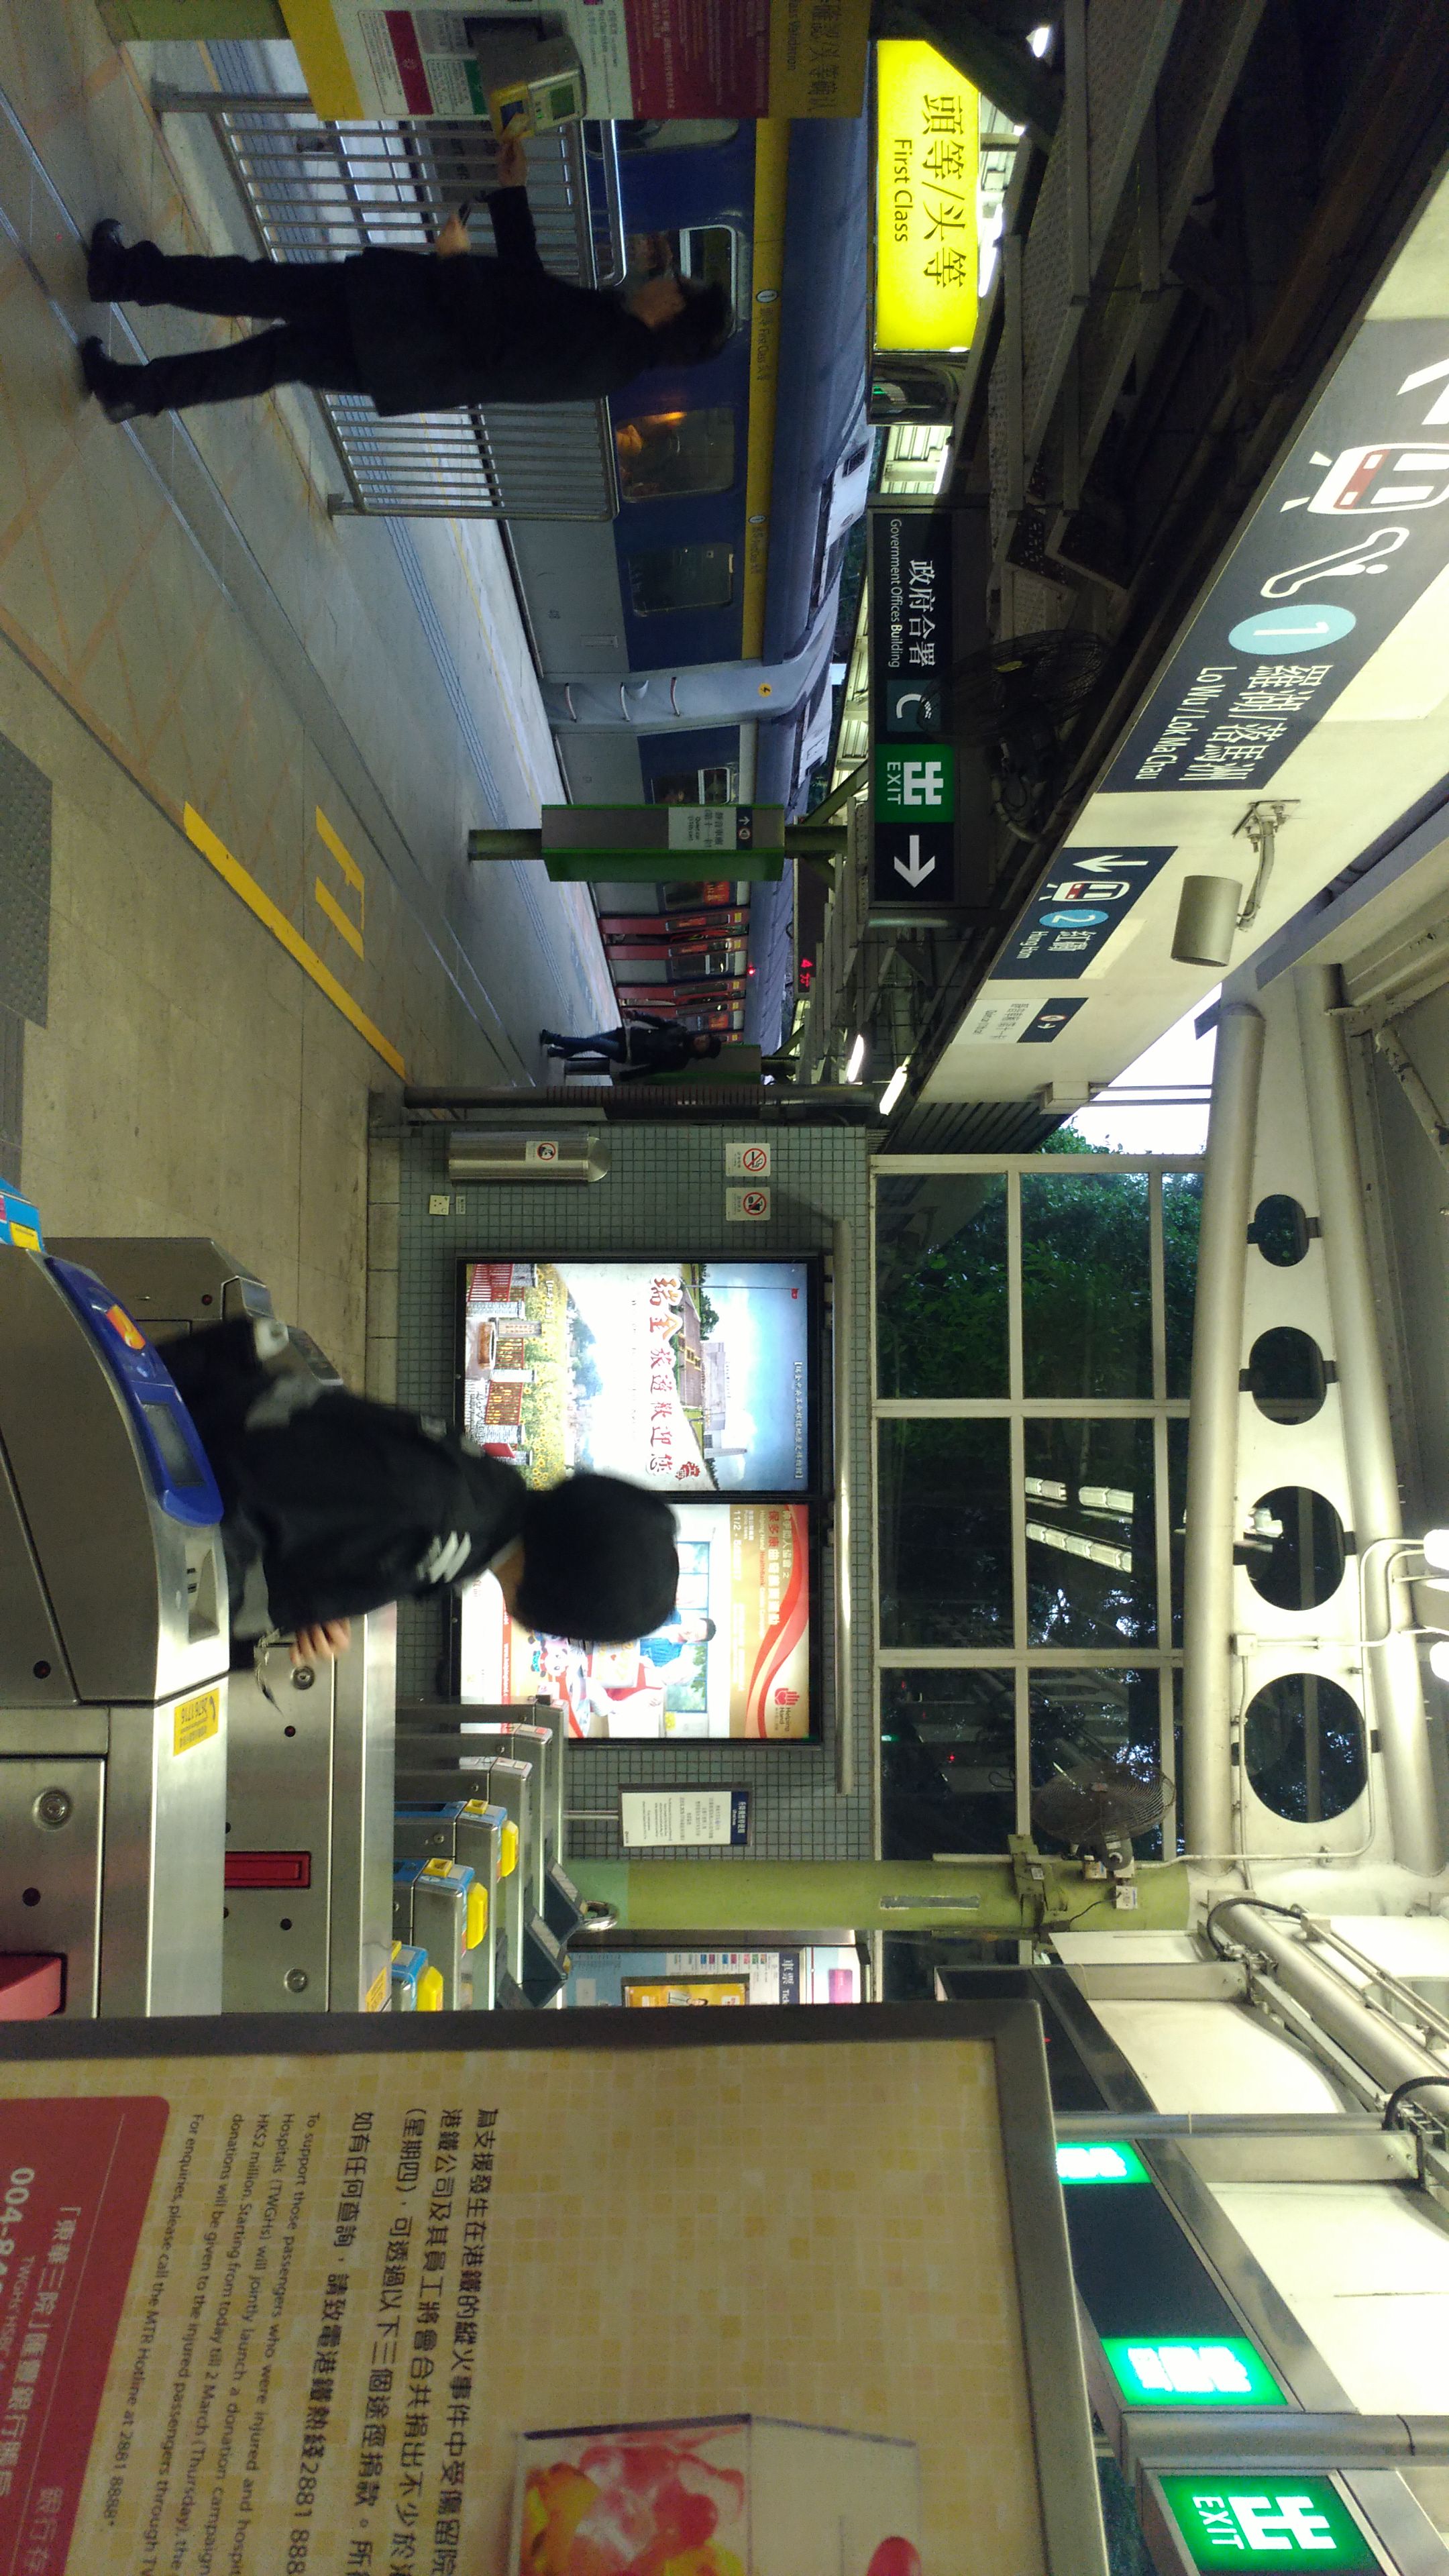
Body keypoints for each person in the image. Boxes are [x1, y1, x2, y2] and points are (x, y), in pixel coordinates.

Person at [78, 136, 731, 425]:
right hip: (399, 344)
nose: (662, 275)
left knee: (260, 298)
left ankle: (124, 285)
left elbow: (490, 348)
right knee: (269, 336)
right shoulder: (613, 337)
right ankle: (130, 379)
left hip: (399, 333)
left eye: (675, 280)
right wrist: (512, 192)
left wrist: (454, 263)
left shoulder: (609, 350)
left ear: (674, 307)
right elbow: (526, 288)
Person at [165, 1317, 678, 1667]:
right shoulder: (441, 1519)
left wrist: (314, 1596)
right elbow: (242, 1491)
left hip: (183, 1448)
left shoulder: (478, 1503)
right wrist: (284, 1609)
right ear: (565, 1600)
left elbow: (317, 1505)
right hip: (158, 1489)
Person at [541, 1016, 724, 1079]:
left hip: (628, 1053)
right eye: (705, 1038)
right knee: (589, 1041)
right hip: (628, 1034)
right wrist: (637, 1015)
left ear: (703, 1053)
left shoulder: (680, 1061)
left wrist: (628, 1076)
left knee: (594, 1044)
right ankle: (561, 1053)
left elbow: (653, 1069)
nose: (701, 1041)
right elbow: (658, 1021)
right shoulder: (680, 1030)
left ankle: (553, 1038)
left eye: (705, 1044)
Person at [637, 1608, 716, 1672]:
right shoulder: (670, 1612)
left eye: (696, 1635)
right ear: (694, 1619)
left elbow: (641, 1669)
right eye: (695, 1626)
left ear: (696, 1642)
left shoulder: (670, 1657)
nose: (690, 1631)